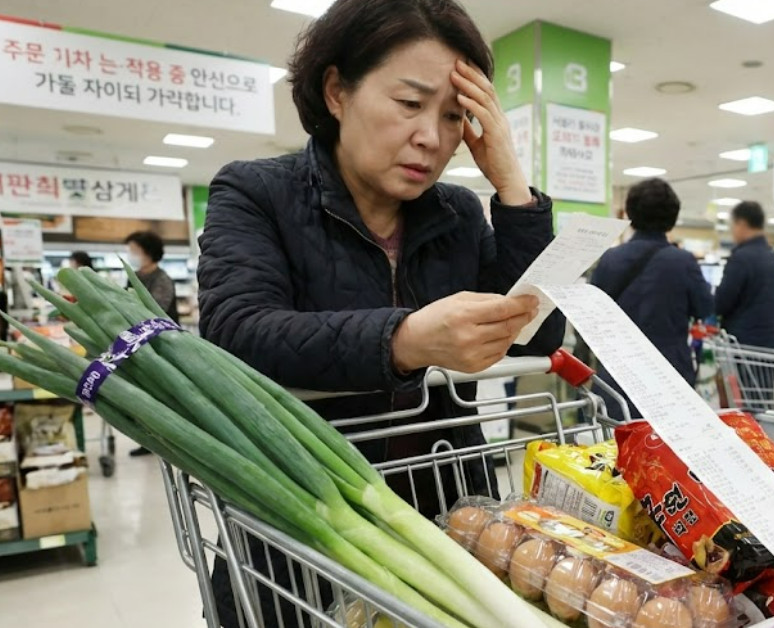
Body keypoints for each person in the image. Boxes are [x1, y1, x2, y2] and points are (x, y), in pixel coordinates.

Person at [195, 1, 564, 625]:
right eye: (410, 103)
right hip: (303, 520)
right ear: (337, 91)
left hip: (445, 510)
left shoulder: (457, 213)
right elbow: (236, 331)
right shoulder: (257, 192)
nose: (432, 138)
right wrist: (404, 340)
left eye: (454, 116)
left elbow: (536, 336)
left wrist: (511, 184)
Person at [591, 179, 713, 416]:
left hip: (618, 374)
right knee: (667, 438)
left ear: (630, 213)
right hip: (669, 375)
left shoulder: (610, 259)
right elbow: (704, 307)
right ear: (672, 217)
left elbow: (592, 313)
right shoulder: (684, 262)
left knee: (619, 436)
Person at [715, 201, 774, 411]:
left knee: (743, 406)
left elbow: (721, 302)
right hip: (768, 344)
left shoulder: (741, 258)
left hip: (742, 345)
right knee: (761, 401)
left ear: (742, 224)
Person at [124, 231, 179, 457]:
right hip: (137, 344)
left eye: (134, 250)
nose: (131, 255)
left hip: (161, 345)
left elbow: (154, 312)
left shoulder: (162, 279)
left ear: (148, 252)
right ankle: (147, 440)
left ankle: (167, 438)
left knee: (162, 394)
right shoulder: (133, 276)